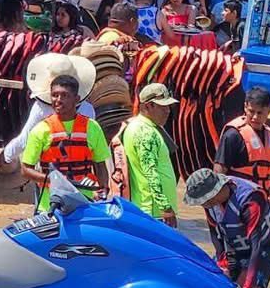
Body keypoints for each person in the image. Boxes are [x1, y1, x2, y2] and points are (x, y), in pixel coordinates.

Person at [184, 168, 270, 288]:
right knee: (215, 283)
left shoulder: (250, 200)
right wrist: (222, 263)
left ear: (216, 191)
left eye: (205, 201)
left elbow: (257, 245)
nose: (203, 205)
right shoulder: (210, 204)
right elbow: (215, 234)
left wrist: (247, 286)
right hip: (233, 244)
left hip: (262, 245)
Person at [21, 74, 111, 213]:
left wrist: (103, 187)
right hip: (50, 205)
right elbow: (26, 169)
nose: (58, 100)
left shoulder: (92, 127)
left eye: (64, 95)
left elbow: (100, 164)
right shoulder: (41, 129)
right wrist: (52, 179)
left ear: (77, 99)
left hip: (85, 203)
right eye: (54, 95)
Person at [108, 83, 179, 225]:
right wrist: (165, 206)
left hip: (150, 209)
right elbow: (150, 172)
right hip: (153, 211)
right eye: (162, 107)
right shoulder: (145, 133)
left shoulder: (143, 127)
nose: (168, 111)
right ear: (147, 106)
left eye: (168, 106)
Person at [215, 86, 270, 206]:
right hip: (238, 202)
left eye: (260, 113)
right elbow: (219, 171)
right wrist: (220, 206)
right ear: (245, 107)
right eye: (251, 111)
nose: (255, 117)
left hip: (264, 203)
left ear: (268, 110)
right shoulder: (233, 135)